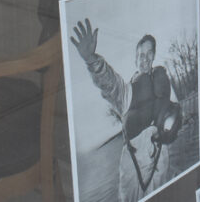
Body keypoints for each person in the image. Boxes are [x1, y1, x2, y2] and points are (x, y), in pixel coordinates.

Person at [71, 19, 180, 202]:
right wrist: (92, 60)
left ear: (153, 56)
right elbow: (110, 83)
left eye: (149, 53)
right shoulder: (126, 92)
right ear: (135, 59)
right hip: (134, 162)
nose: (144, 59)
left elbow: (175, 115)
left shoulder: (164, 84)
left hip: (161, 157)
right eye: (140, 55)